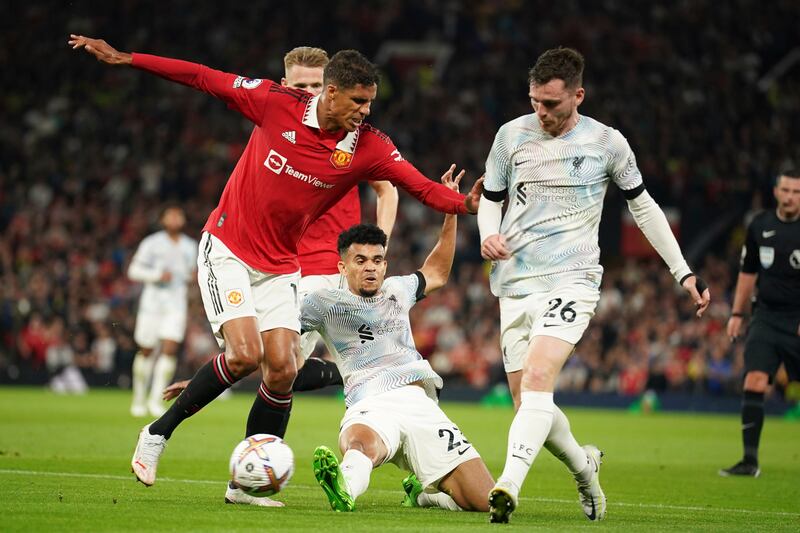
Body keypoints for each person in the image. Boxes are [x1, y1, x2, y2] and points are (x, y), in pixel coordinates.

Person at [68, 35, 481, 505]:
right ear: (329, 92)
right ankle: (157, 434)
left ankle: (243, 486)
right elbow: (203, 76)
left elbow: (419, 186)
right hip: (228, 248)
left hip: (282, 263)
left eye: (370, 102)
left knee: (282, 368)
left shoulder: (368, 145)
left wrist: (464, 205)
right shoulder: (274, 103)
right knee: (245, 356)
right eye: (358, 101)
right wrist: (127, 58)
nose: (366, 111)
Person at [477, 47, 710, 523]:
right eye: (536, 101)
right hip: (515, 283)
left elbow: (643, 208)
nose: (541, 112)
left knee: (541, 378)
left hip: (573, 279)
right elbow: (491, 198)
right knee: (529, 405)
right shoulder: (510, 136)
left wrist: (682, 270)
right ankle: (586, 469)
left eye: (553, 104)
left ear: (578, 95)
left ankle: (508, 485)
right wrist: (488, 234)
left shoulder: (607, 143)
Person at [304, 178, 494, 513]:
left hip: (419, 401)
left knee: (485, 502)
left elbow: (436, 272)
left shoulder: (397, 290)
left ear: (385, 264)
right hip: (370, 400)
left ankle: (423, 495)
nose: (370, 267)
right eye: (360, 260)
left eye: (377, 260)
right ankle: (344, 487)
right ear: (342, 266)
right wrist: (228, 366)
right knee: (362, 443)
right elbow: (274, 333)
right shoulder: (322, 302)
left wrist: (451, 211)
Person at [720, 170, 800, 477]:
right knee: (754, 380)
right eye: (787, 190)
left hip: (797, 319)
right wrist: (738, 314)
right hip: (766, 317)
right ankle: (749, 461)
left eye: (797, 191)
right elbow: (747, 274)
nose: (791, 196)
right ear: (777, 191)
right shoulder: (760, 225)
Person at [127, 205, 197, 417]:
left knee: (169, 349)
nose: (175, 219)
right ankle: (138, 398)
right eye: (171, 215)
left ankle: (156, 399)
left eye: (179, 215)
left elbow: (190, 272)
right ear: (162, 219)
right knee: (147, 350)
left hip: (176, 305)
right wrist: (157, 275)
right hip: (152, 305)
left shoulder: (190, 245)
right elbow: (133, 271)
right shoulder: (151, 243)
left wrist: (191, 277)